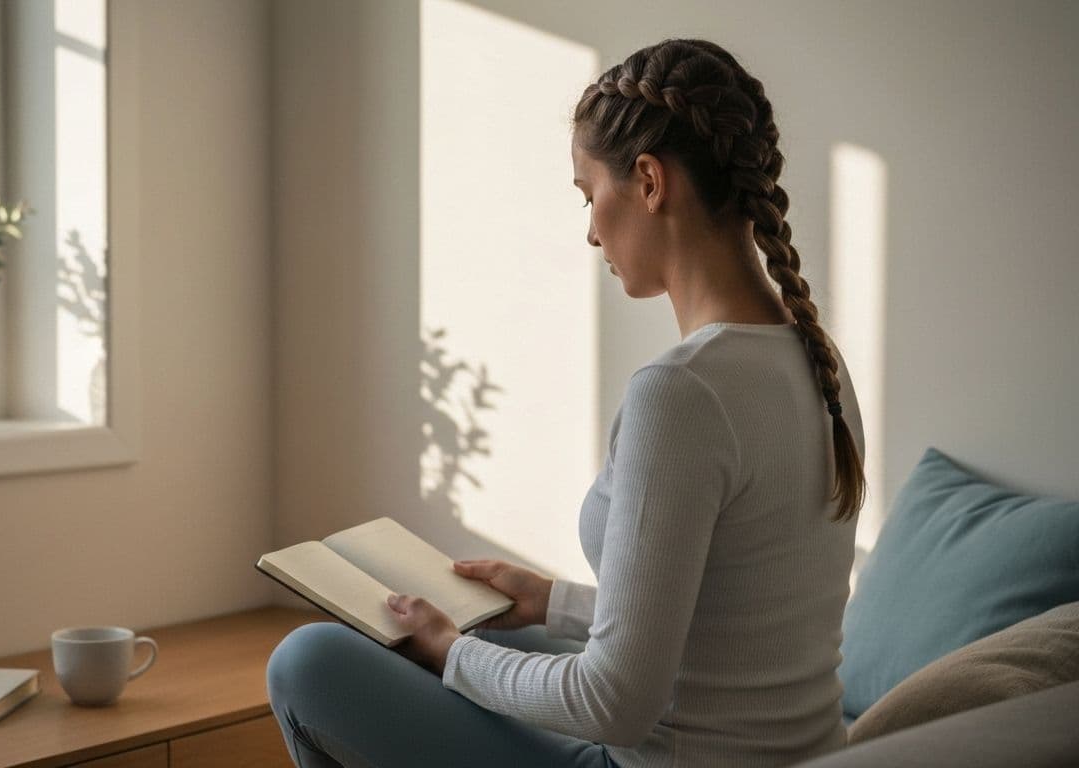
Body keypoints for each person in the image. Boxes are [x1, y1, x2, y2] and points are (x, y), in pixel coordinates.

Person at [266, 37, 865, 768]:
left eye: (590, 194)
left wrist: (449, 655)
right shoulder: (815, 359)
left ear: (648, 181)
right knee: (482, 627)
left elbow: (612, 704)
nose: (589, 231)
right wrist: (551, 603)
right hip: (804, 755)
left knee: (309, 660)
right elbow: (728, 620)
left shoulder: (682, 393)